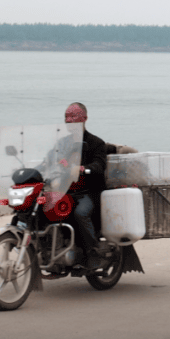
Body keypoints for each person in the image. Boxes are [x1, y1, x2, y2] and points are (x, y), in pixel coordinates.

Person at [64, 102, 124, 261]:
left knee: (80, 212)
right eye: (68, 120)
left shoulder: (96, 143)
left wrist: (82, 169)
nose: (70, 123)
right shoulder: (63, 143)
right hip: (66, 190)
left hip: (90, 191)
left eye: (74, 119)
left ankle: (93, 252)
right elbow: (50, 159)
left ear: (84, 119)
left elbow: (99, 165)